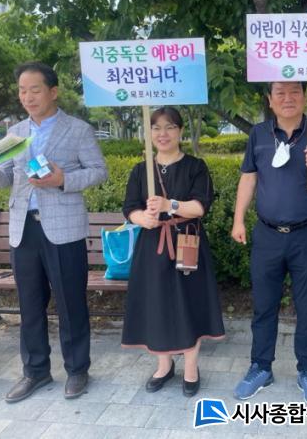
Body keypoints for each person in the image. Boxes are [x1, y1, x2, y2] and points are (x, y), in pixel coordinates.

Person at [0, 61, 108, 402]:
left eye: (35, 90)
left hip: (64, 230)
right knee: (30, 304)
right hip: (23, 229)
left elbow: (99, 171)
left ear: (53, 91)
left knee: (70, 302)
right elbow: (7, 177)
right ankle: (35, 371)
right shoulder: (16, 132)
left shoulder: (77, 129)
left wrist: (64, 179)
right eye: (22, 91)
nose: (28, 97)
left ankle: (77, 370)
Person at [231, 81, 307, 403]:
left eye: (295, 91)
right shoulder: (259, 134)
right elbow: (249, 177)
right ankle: (261, 366)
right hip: (267, 234)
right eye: (280, 93)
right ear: (270, 100)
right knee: (263, 305)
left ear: (305, 97)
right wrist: (238, 219)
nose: (287, 98)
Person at [121, 106, 224, 398]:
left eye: (169, 127)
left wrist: (170, 205)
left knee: (190, 304)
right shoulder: (141, 170)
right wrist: (143, 218)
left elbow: (201, 206)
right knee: (156, 303)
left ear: (179, 131)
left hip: (187, 241)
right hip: (151, 246)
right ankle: (163, 365)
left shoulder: (195, 166)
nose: (162, 134)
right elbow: (130, 207)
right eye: (156, 128)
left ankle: (191, 367)